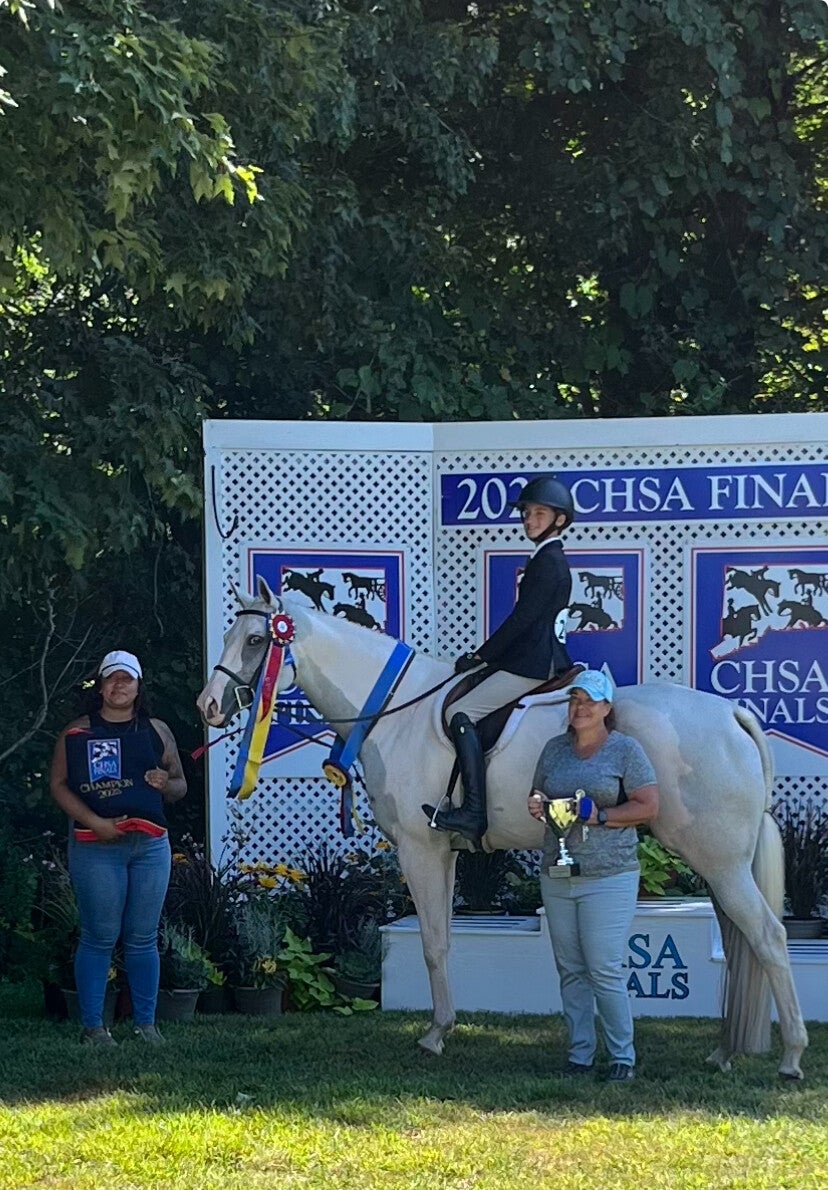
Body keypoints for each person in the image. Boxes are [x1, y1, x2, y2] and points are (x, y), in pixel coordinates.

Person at [423, 474, 575, 843]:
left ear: (559, 520)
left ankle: (473, 812)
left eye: (539, 514)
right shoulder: (545, 558)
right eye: (526, 513)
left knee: (460, 712)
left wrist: (482, 655)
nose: (529, 520)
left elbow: (523, 620)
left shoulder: (548, 562)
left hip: (533, 663)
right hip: (533, 657)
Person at [49, 650, 187, 1046]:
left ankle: (147, 1024)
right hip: (96, 845)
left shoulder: (157, 730)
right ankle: (94, 1027)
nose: (119, 685)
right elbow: (58, 784)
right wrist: (94, 822)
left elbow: (179, 786)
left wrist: (165, 782)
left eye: (127, 678)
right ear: (100, 686)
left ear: (139, 686)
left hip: (150, 846)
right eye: (112, 678)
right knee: (99, 935)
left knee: (143, 937)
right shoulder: (78, 731)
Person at [528, 669, 658, 1082]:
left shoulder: (625, 750)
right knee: (570, 968)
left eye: (589, 700)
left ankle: (622, 1057)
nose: (580, 707)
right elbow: (539, 792)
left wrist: (600, 816)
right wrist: (538, 804)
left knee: (603, 967)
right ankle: (579, 1054)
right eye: (574, 699)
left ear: (606, 708)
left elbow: (648, 806)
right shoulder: (554, 750)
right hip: (558, 871)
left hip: (609, 875)